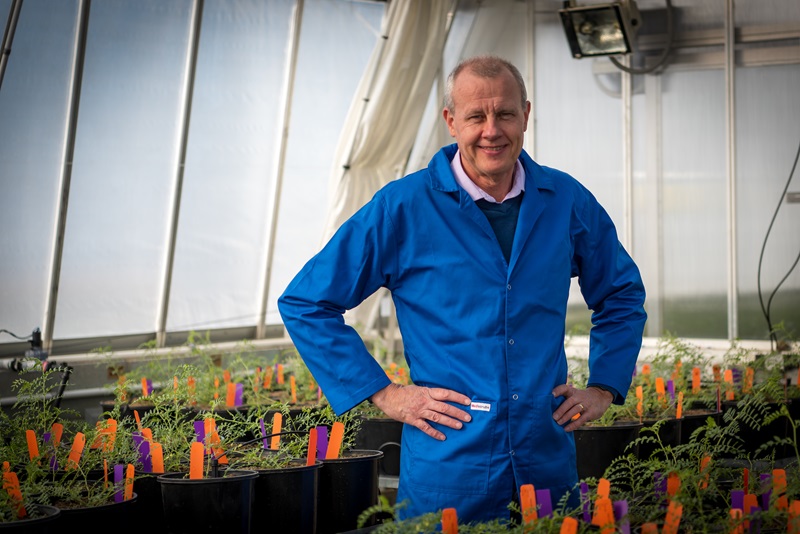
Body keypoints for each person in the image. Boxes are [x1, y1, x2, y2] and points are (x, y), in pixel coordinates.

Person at [278, 54, 647, 525]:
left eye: (505, 114)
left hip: (546, 459)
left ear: (526, 116)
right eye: (476, 116)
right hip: (449, 466)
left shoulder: (566, 201)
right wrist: (387, 395)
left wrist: (603, 386)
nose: (491, 130)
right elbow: (307, 302)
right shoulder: (403, 208)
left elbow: (620, 292)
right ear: (452, 122)